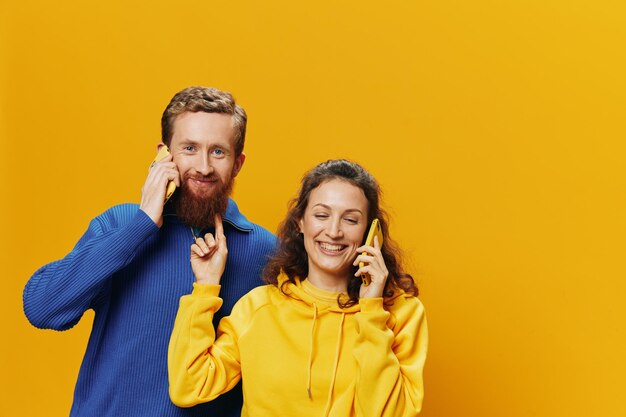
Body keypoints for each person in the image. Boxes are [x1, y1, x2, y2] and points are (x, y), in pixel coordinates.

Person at [23, 86, 276, 417]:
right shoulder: (121, 224)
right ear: (164, 155)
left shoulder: (266, 251)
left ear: (238, 163)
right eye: (189, 148)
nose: (203, 166)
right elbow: (43, 308)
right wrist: (141, 225)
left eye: (218, 152)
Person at [168, 159, 428, 417]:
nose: (334, 231)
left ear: (371, 233)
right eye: (321, 215)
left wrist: (371, 313)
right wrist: (205, 286)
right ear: (300, 222)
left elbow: (391, 413)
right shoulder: (258, 308)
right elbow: (189, 386)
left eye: (350, 220)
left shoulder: (401, 314)